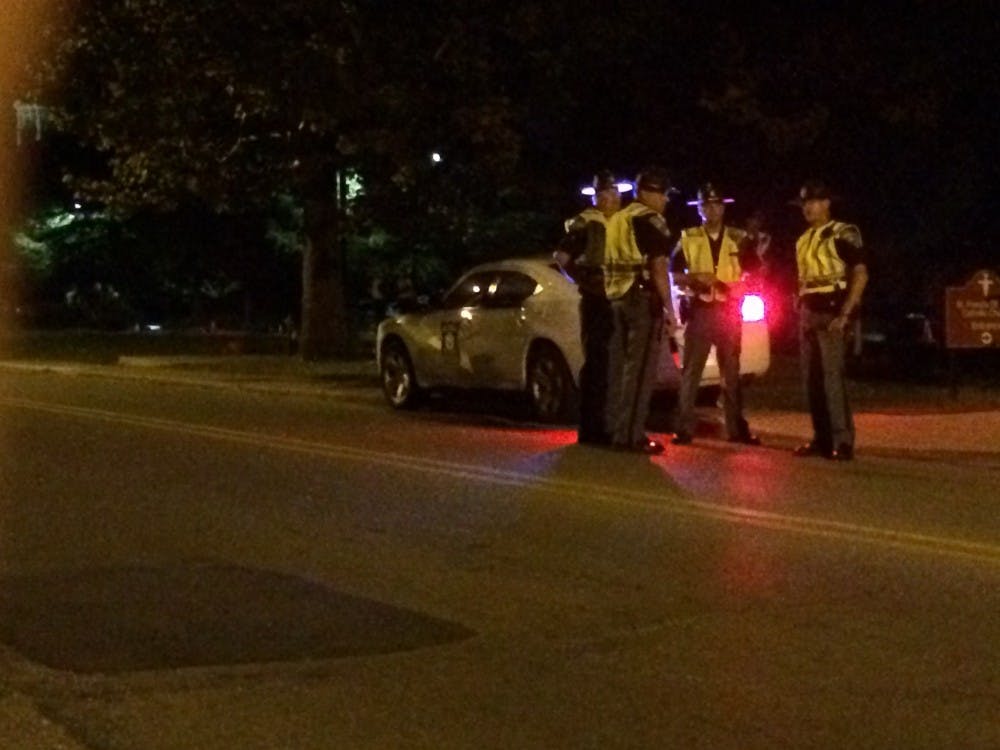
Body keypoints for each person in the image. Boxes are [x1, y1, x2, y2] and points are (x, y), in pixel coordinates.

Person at [670, 183, 762, 446]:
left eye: (716, 205)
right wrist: (694, 279)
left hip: (728, 310)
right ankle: (683, 429)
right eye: (706, 205)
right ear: (699, 209)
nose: (711, 210)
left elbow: (755, 270)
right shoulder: (688, 238)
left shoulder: (738, 237)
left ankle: (736, 429)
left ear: (723, 208)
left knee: (731, 374)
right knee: (692, 373)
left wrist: (740, 286)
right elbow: (673, 274)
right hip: (700, 310)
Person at [791, 180, 869, 461]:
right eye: (805, 203)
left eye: (813, 202)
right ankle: (821, 438)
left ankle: (842, 440)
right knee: (811, 380)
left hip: (833, 312)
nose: (808, 208)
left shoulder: (843, 232)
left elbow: (860, 274)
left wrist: (846, 313)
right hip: (809, 314)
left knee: (832, 379)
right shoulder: (803, 240)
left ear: (827, 204)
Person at [603, 166, 678, 454]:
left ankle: (619, 430)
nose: (665, 200)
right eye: (662, 194)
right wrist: (670, 309)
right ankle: (631, 436)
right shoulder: (651, 221)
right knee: (641, 371)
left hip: (618, 300)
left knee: (623, 370)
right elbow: (659, 268)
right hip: (642, 301)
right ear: (647, 193)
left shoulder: (617, 219)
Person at [554, 170, 623, 445]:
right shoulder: (586, 223)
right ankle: (592, 427)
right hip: (596, 300)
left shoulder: (622, 221)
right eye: (606, 193)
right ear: (597, 197)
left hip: (617, 298)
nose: (611, 198)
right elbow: (562, 257)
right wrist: (585, 281)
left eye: (614, 192)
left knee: (612, 364)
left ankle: (608, 424)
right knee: (597, 363)